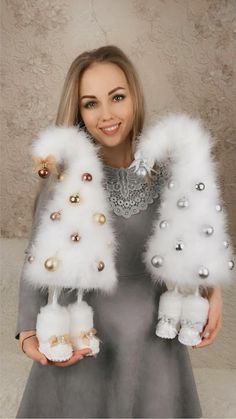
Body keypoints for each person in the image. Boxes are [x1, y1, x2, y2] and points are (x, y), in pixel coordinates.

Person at [15, 45, 223, 418]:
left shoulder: (168, 171)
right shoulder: (67, 180)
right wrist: (29, 332)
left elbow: (193, 241)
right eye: (91, 103)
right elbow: (38, 261)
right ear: (78, 112)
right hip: (86, 334)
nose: (107, 115)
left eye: (117, 97)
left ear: (134, 97)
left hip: (152, 341)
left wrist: (210, 290)